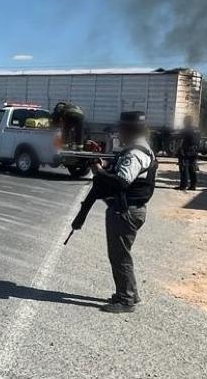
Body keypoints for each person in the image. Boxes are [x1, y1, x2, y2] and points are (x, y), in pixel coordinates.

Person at [73, 111, 157, 313]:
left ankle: (126, 299)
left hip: (125, 211)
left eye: (121, 128)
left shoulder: (134, 154)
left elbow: (120, 182)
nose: (118, 132)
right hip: (129, 210)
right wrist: (102, 167)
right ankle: (129, 293)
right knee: (121, 255)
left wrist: (100, 172)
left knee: (120, 257)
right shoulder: (140, 149)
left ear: (130, 129)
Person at [176, 116, 199, 190]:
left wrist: (179, 150)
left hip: (186, 151)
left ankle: (183, 185)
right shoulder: (195, 130)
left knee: (183, 168)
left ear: (186, 122)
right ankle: (193, 185)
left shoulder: (184, 130)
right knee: (192, 168)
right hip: (194, 151)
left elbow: (180, 141)